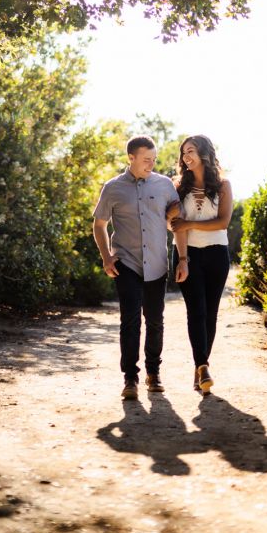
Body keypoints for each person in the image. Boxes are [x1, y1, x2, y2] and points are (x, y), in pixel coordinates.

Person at [92, 135, 189, 399]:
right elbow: (99, 225)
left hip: (157, 263)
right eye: (147, 159)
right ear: (131, 158)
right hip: (127, 263)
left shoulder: (165, 185)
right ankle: (130, 379)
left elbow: (177, 224)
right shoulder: (112, 188)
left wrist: (182, 259)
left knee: (155, 321)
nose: (151, 164)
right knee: (130, 320)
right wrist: (106, 256)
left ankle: (153, 373)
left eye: (154, 159)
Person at [168, 135, 232, 395]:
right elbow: (176, 227)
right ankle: (202, 366)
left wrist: (190, 224)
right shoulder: (176, 186)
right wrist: (183, 259)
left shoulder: (223, 185)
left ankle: (200, 369)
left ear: (204, 153)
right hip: (188, 254)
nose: (186, 157)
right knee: (196, 311)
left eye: (191, 151)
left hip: (217, 254)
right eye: (183, 152)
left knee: (211, 312)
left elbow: (223, 222)